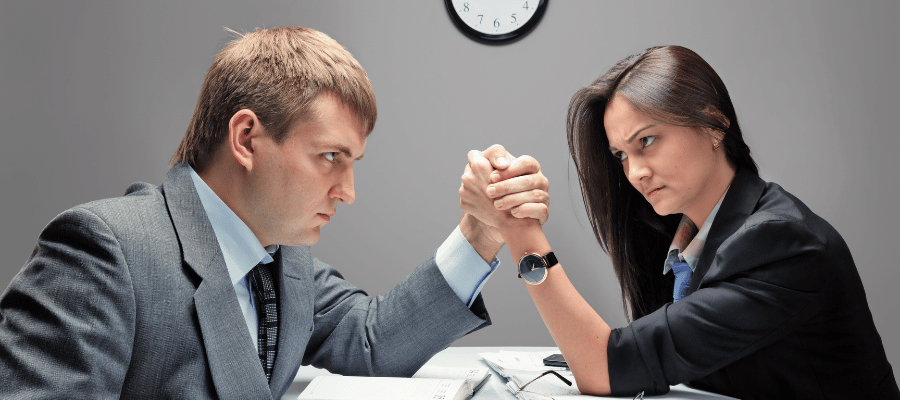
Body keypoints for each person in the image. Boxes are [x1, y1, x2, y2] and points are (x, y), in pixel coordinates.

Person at [0, 27, 549, 399]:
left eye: (352, 161)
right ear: (246, 138)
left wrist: (480, 232)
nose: (348, 191)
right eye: (330, 157)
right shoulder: (102, 251)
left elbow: (371, 341)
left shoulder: (280, 259)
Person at [460, 45, 899, 399]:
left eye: (646, 141)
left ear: (714, 124)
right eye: (621, 156)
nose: (633, 173)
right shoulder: (681, 239)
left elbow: (605, 368)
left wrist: (518, 228)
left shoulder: (780, 242)